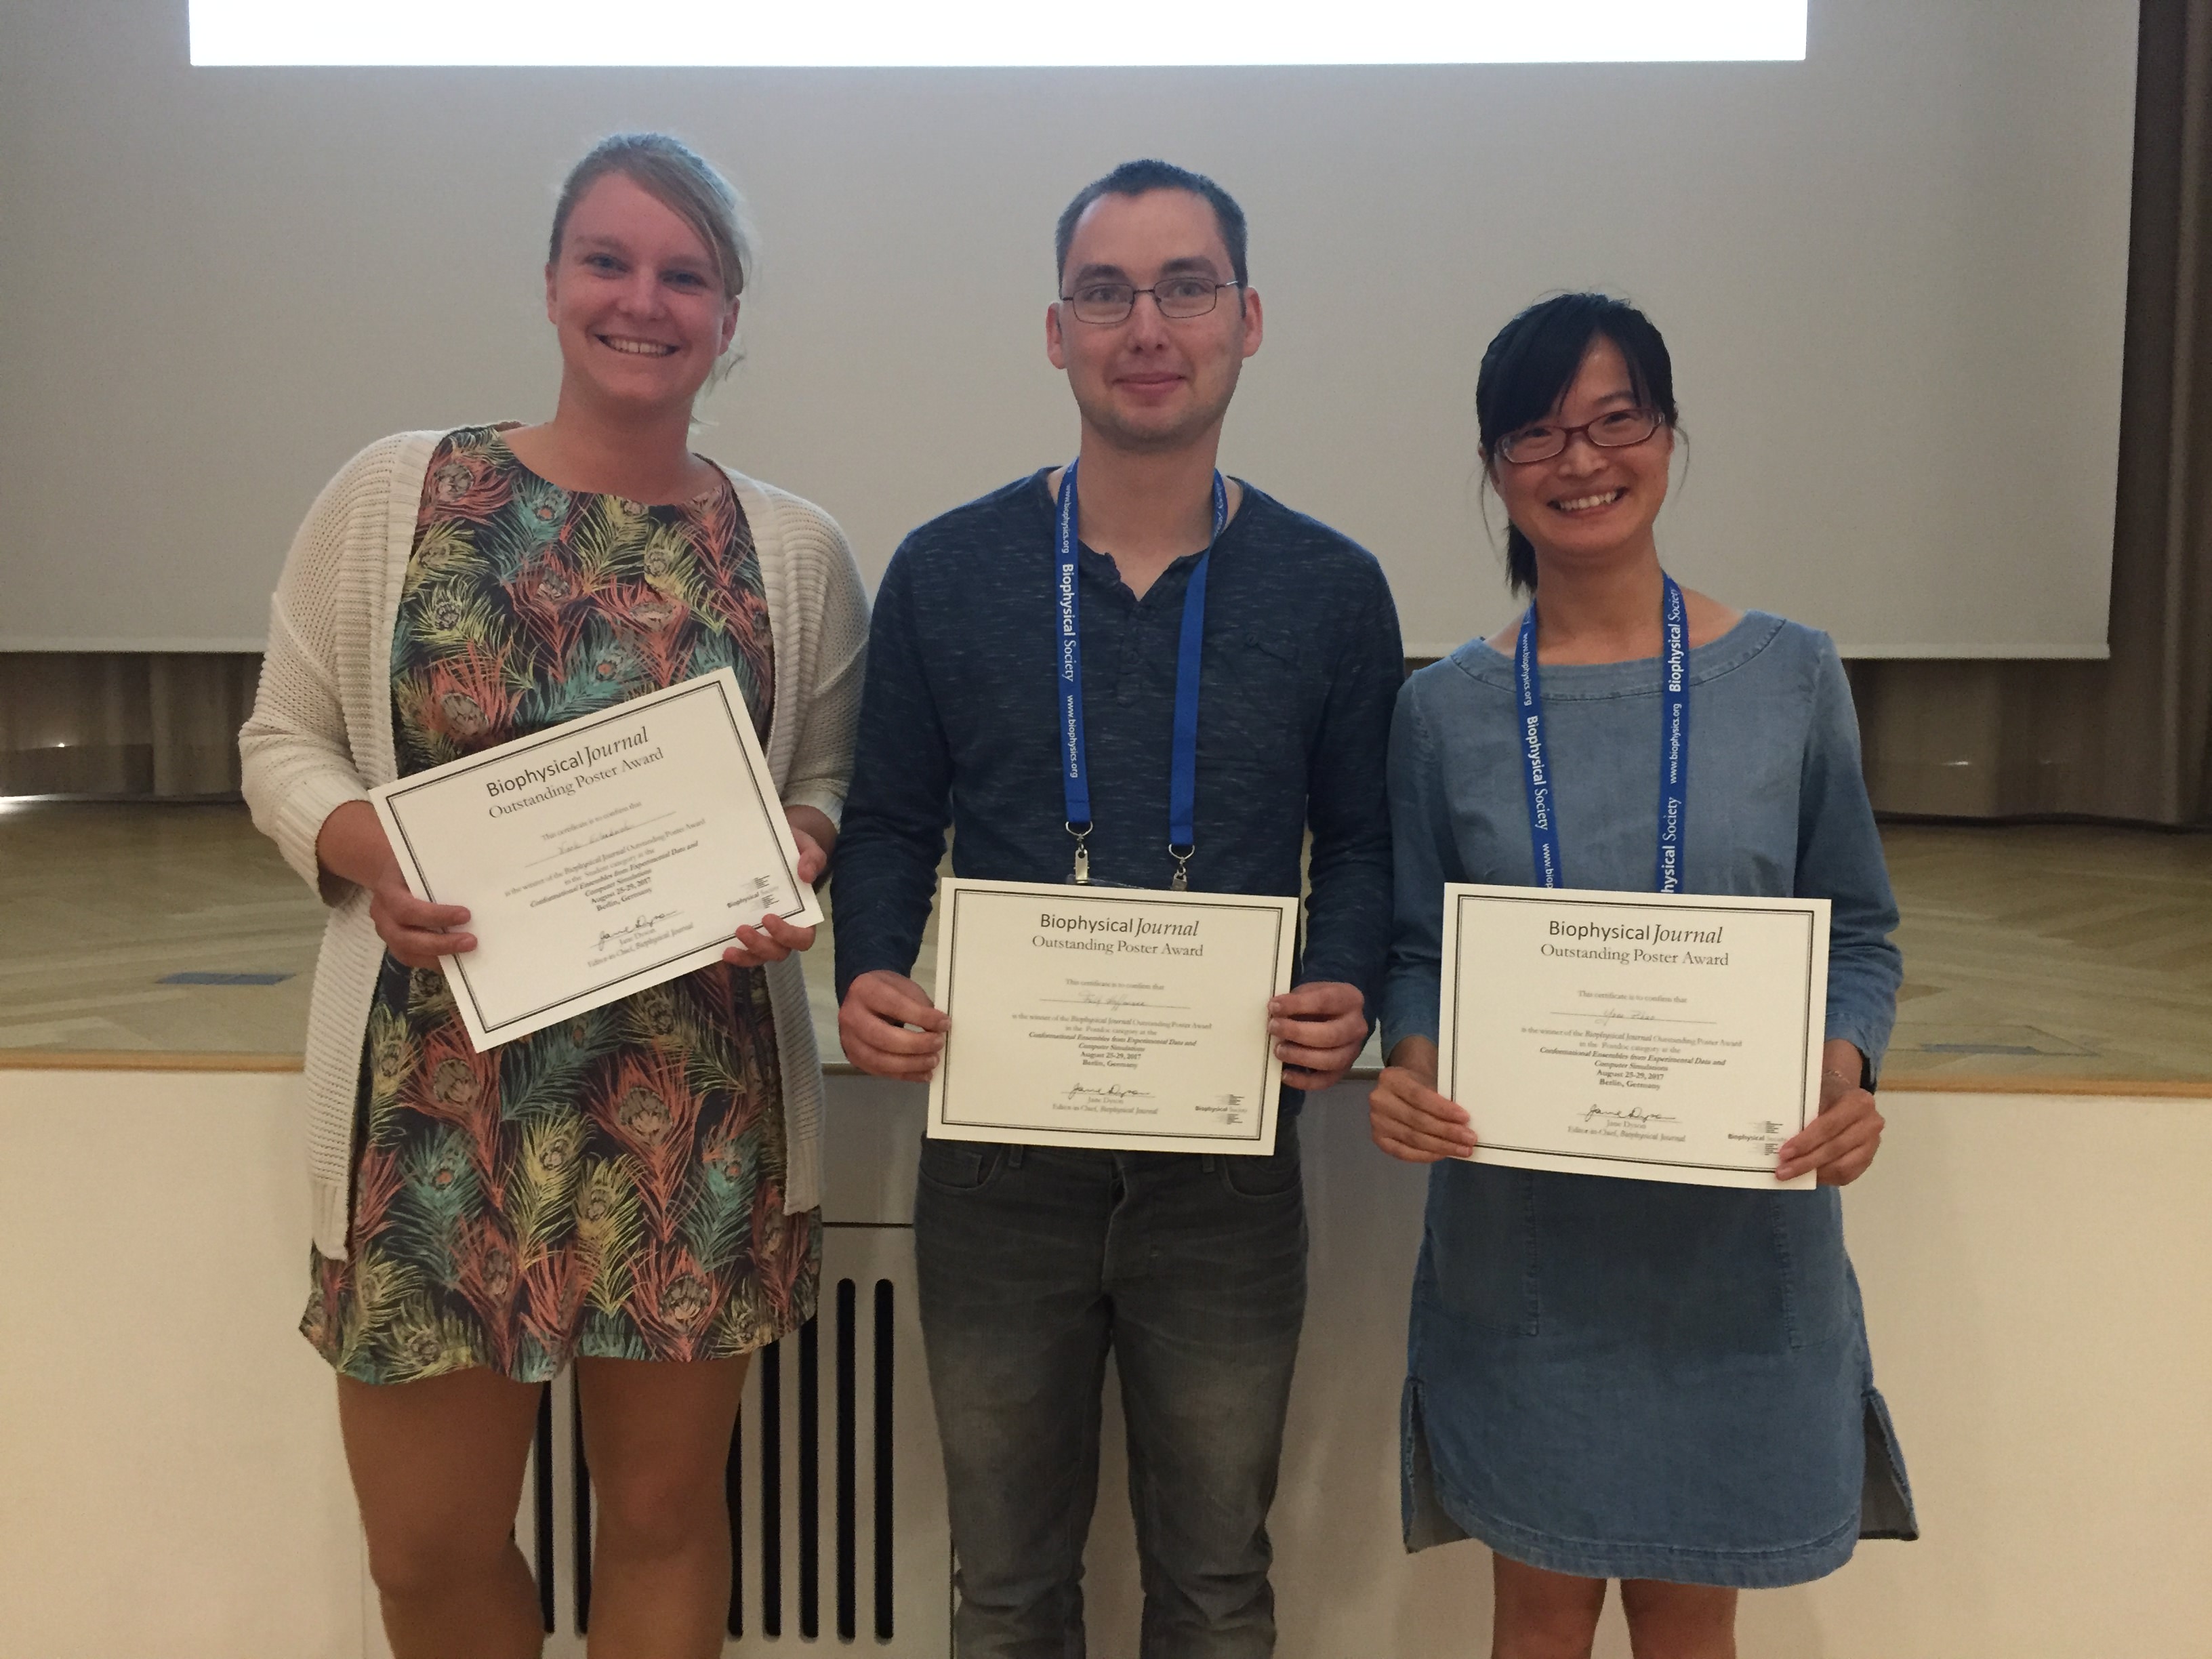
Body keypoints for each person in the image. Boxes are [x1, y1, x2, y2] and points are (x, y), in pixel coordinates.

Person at [238, 133, 867, 1659]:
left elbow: (829, 783)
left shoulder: (793, 551)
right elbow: (281, 743)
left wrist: (798, 847)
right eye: (609, 260)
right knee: (427, 1553)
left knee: (660, 1521)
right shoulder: (400, 496)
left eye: (684, 274)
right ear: (550, 283)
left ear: (727, 314)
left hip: (694, 1099)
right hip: (434, 1104)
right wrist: (366, 850)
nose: (642, 300)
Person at [830, 159, 1402, 1656]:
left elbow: (1361, 844)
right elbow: (888, 823)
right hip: (999, 1168)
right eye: (1107, 292)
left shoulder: (1334, 590)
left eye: (1186, 286)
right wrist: (870, 966)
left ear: (1249, 319)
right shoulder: (948, 575)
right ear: (1056, 331)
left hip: (1223, 1177)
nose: (1147, 324)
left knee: (1216, 1589)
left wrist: (1345, 980)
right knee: (1006, 1588)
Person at [1368, 292, 1916, 1659]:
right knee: (1538, 1617)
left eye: (1619, 419)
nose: (1582, 458)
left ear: (1669, 437)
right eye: (1540, 432)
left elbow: (1858, 928)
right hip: (1531, 1253)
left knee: (1690, 1617)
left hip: (1735, 1246)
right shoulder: (1443, 710)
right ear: (1495, 466)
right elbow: (1419, 949)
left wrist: (1845, 1070)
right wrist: (1413, 1065)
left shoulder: (1791, 676)